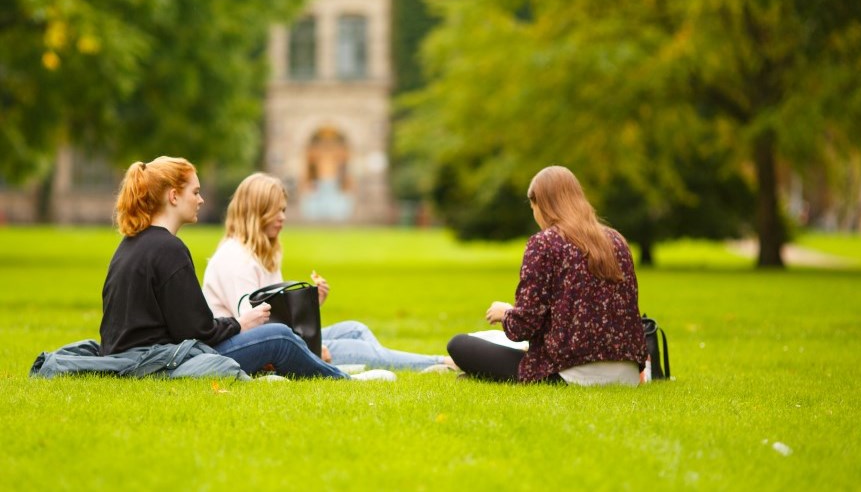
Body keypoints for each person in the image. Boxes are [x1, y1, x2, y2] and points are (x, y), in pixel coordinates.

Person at [100, 156, 395, 382]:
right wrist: (242, 323)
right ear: (174, 196)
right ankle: (342, 379)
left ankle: (324, 366)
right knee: (278, 336)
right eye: (195, 192)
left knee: (317, 332)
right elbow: (197, 330)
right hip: (160, 361)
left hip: (144, 355)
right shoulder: (168, 249)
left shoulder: (130, 245)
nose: (201, 200)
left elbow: (179, 325)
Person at [202, 172, 455, 372]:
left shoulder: (266, 251)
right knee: (352, 347)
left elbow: (279, 316)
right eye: (276, 211)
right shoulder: (235, 258)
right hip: (244, 348)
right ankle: (439, 362)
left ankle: (388, 362)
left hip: (272, 338)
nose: (282, 218)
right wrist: (310, 349)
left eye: (284, 210)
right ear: (256, 213)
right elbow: (254, 326)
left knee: (355, 330)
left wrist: (311, 304)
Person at [447, 165, 648, 385]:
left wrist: (505, 314)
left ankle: (480, 375)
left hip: (570, 372)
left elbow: (524, 326)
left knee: (459, 345)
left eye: (533, 206)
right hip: (628, 373)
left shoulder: (544, 243)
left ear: (541, 204)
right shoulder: (616, 241)